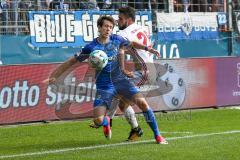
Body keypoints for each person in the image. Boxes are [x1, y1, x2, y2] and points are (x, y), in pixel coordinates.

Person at [45, 15, 167, 144]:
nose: (108, 29)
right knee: (98, 120)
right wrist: (55, 75)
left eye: (110, 27)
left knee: (142, 104)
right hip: (104, 86)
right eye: (105, 26)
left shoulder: (117, 39)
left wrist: (147, 48)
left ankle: (158, 136)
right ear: (99, 28)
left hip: (121, 82)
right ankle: (106, 121)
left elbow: (132, 43)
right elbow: (71, 61)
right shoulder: (90, 47)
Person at [106, 6, 166, 142]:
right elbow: (133, 49)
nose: (118, 21)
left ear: (128, 20)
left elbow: (123, 48)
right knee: (123, 104)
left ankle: (107, 121)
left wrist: (121, 67)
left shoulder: (125, 33)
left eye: (120, 19)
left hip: (144, 72)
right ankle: (138, 130)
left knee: (118, 92)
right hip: (149, 71)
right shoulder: (143, 28)